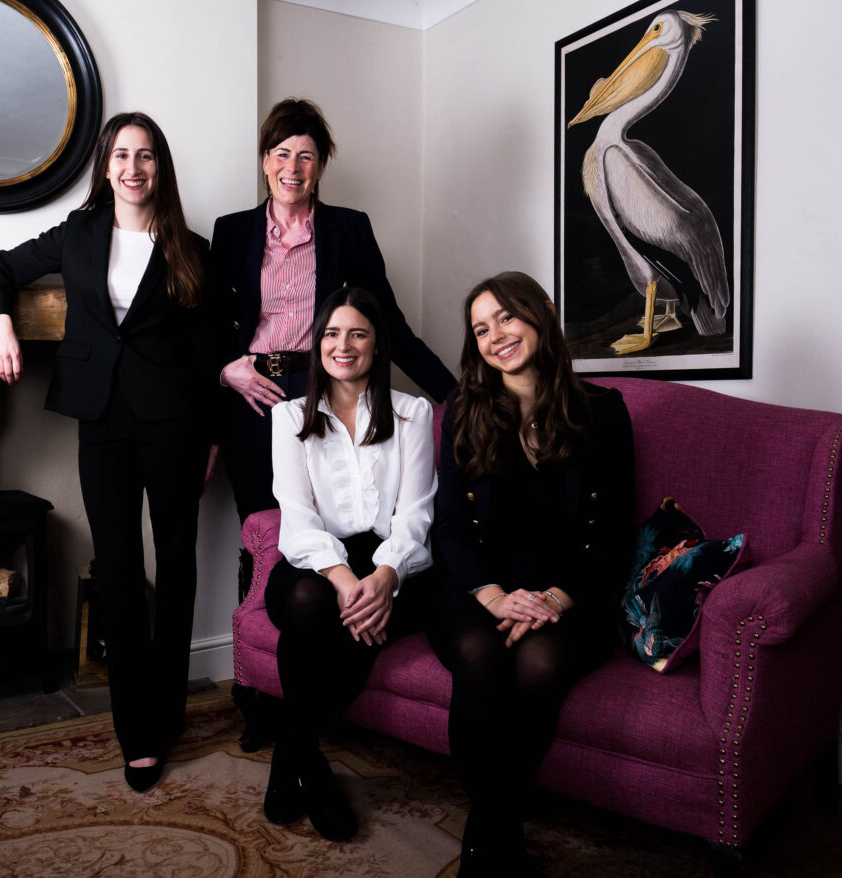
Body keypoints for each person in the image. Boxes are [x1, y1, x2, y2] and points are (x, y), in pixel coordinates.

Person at [0, 111, 216, 794]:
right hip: (101, 420)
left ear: (159, 168)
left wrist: (213, 439)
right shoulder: (79, 233)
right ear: (105, 166)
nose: (133, 168)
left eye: (145, 156)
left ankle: (166, 712)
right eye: (120, 156)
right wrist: (2, 328)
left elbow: (208, 353)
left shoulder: (191, 248)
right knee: (116, 568)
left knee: (175, 565)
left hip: (175, 422)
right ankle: (134, 729)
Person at [429, 272, 635, 876]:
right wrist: (495, 599)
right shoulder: (463, 412)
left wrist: (554, 599)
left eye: (507, 318)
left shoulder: (604, 411)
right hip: (478, 588)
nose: (496, 336)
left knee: (538, 663)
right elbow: (450, 529)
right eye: (481, 329)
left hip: (571, 591)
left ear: (542, 313)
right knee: (479, 658)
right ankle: (500, 832)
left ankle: (485, 830)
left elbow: (615, 533)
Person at [210, 97, 455, 523]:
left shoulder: (349, 228)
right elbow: (207, 326)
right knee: (259, 525)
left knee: (327, 523)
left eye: (306, 156)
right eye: (282, 154)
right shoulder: (231, 231)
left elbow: (388, 325)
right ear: (266, 160)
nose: (293, 167)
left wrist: (461, 400)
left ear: (320, 167)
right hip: (251, 397)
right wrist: (223, 370)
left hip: (322, 391)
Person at [262, 286, 438, 841]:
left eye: (358, 333)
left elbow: (417, 510)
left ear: (377, 345)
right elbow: (295, 513)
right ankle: (311, 764)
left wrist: (386, 576)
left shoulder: (413, 413)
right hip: (313, 560)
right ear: (317, 346)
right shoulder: (289, 416)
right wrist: (342, 577)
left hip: (391, 559)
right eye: (332, 334)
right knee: (309, 601)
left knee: (358, 617)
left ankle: (292, 752)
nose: (344, 345)